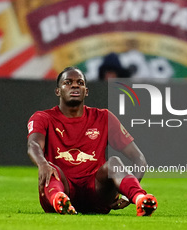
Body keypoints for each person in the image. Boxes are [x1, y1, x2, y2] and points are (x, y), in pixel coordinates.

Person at [27, 67, 157, 216]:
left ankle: (140, 199)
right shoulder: (43, 118)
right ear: (58, 91)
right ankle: (59, 199)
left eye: (80, 83)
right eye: (68, 82)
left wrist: (128, 194)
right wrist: (42, 163)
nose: (75, 85)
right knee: (50, 167)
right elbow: (34, 145)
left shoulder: (103, 117)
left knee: (114, 162)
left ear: (86, 91)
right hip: (62, 185)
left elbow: (139, 159)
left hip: (97, 193)